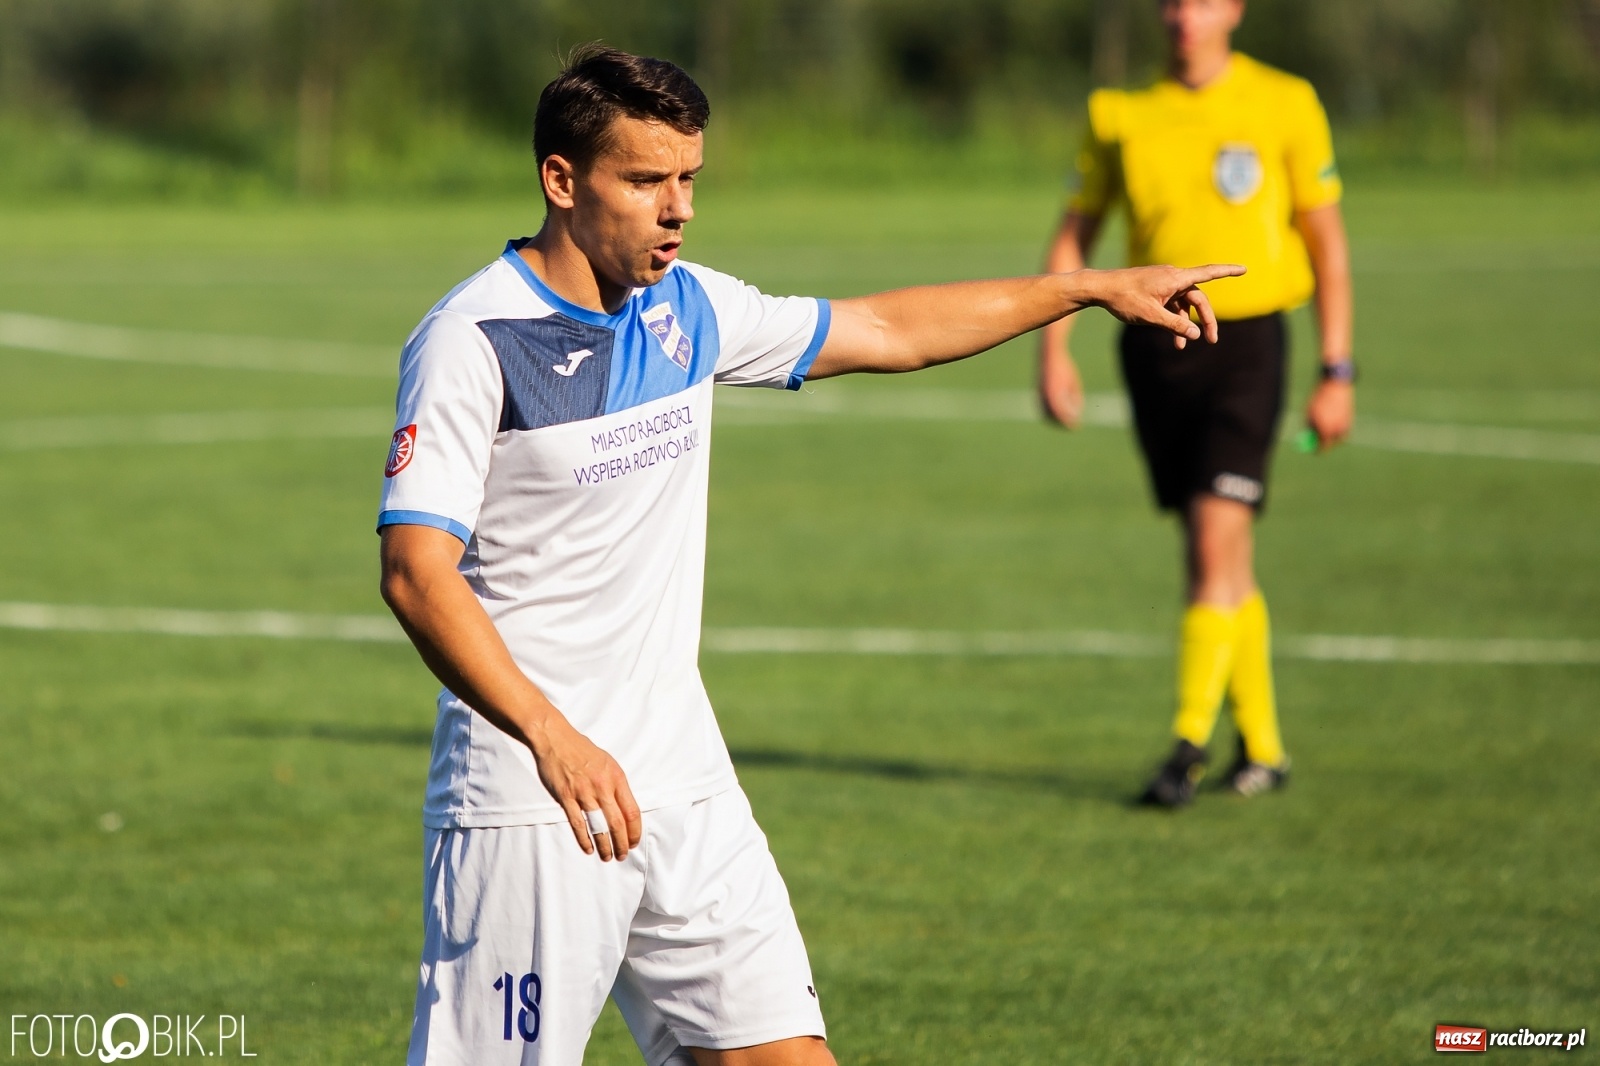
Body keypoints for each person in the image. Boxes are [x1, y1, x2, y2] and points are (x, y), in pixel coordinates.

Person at [379, 44, 1239, 1066]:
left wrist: (1086, 287)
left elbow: (886, 328)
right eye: (646, 180)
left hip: (682, 780)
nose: (677, 209)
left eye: (688, 178)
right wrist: (550, 736)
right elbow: (415, 574)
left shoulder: (687, 308)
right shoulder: (474, 339)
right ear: (560, 181)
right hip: (532, 795)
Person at [1038, 0, 1355, 809]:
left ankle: (1187, 744)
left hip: (1248, 346)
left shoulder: (1286, 101)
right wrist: (1053, 347)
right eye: (1173, 1)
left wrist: (1336, 369)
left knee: (1216, 545)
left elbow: (1327, 243)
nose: (1186, 14)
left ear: (1236, 9)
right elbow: (1079, 231)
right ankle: (1268, 749)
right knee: (1215, 555)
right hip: (1156, 343)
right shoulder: (1121, 112)